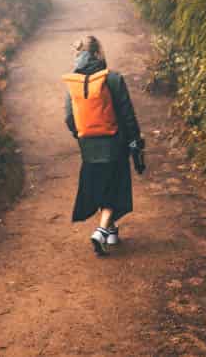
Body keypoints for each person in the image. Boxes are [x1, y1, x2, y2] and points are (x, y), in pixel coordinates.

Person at [62, 34, 145, 256]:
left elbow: (69, 118)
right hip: (114, 143)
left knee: (101, 185)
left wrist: (81, 137)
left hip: (88, 145)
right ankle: (100, 232)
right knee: (115, 188)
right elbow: (128, 115)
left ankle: (112, 232)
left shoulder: (74, 83)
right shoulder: (114, 79)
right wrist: (134, 140)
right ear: (98, 53)